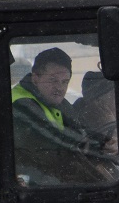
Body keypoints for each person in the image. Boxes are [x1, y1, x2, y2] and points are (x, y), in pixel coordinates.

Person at [11, 48, 112, 184]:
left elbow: (80, 131)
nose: (60, 87)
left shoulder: (57, 102)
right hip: (25, 179)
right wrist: (97, 146)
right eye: (53, 80)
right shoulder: (21, 103)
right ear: (35, 78)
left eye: (65, 82)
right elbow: (56, 142)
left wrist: (107, 143)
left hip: (44, 173)